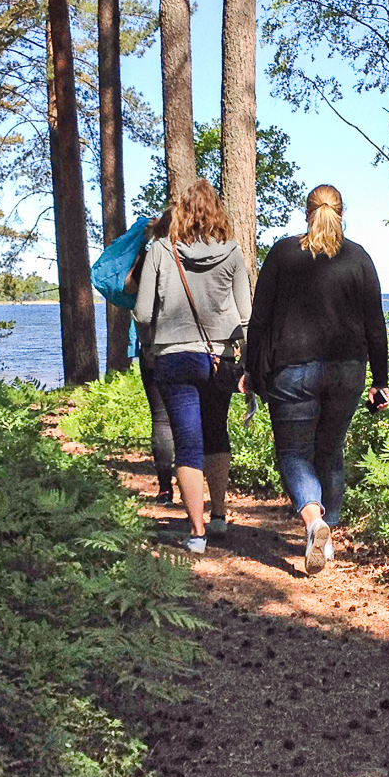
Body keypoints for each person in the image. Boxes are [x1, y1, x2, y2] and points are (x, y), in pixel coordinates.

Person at [243, 184, 389, 574]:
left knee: (293, 453)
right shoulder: (359, 258)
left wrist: (251, 371)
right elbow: (376, 325)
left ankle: (313, 522)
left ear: (306, 212)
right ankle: (329, 540)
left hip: (292, 370)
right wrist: (381, 380)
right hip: (348, 371)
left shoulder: (283, 254)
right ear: (343, 211)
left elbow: (260, 319)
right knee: (331, 450)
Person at [133, 179, 251, 554]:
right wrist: (246, 362)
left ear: (181, 212)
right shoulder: (232, 253)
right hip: (219, 358)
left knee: (187, 441)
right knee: (217, 433)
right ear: (217, 212)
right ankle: (219, 515)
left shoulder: (159, 251)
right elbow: (246, 317)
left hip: (173, 358)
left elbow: (140, 311)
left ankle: (196, 532)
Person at [134, 212, 177, 504]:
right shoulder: (199, 257)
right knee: (194, 418)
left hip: (155, 348)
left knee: (162, 419)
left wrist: (141, 234)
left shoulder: (147, 259)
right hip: (195, 349)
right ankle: (198, 490)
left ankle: (165, 488)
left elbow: (140, 310)